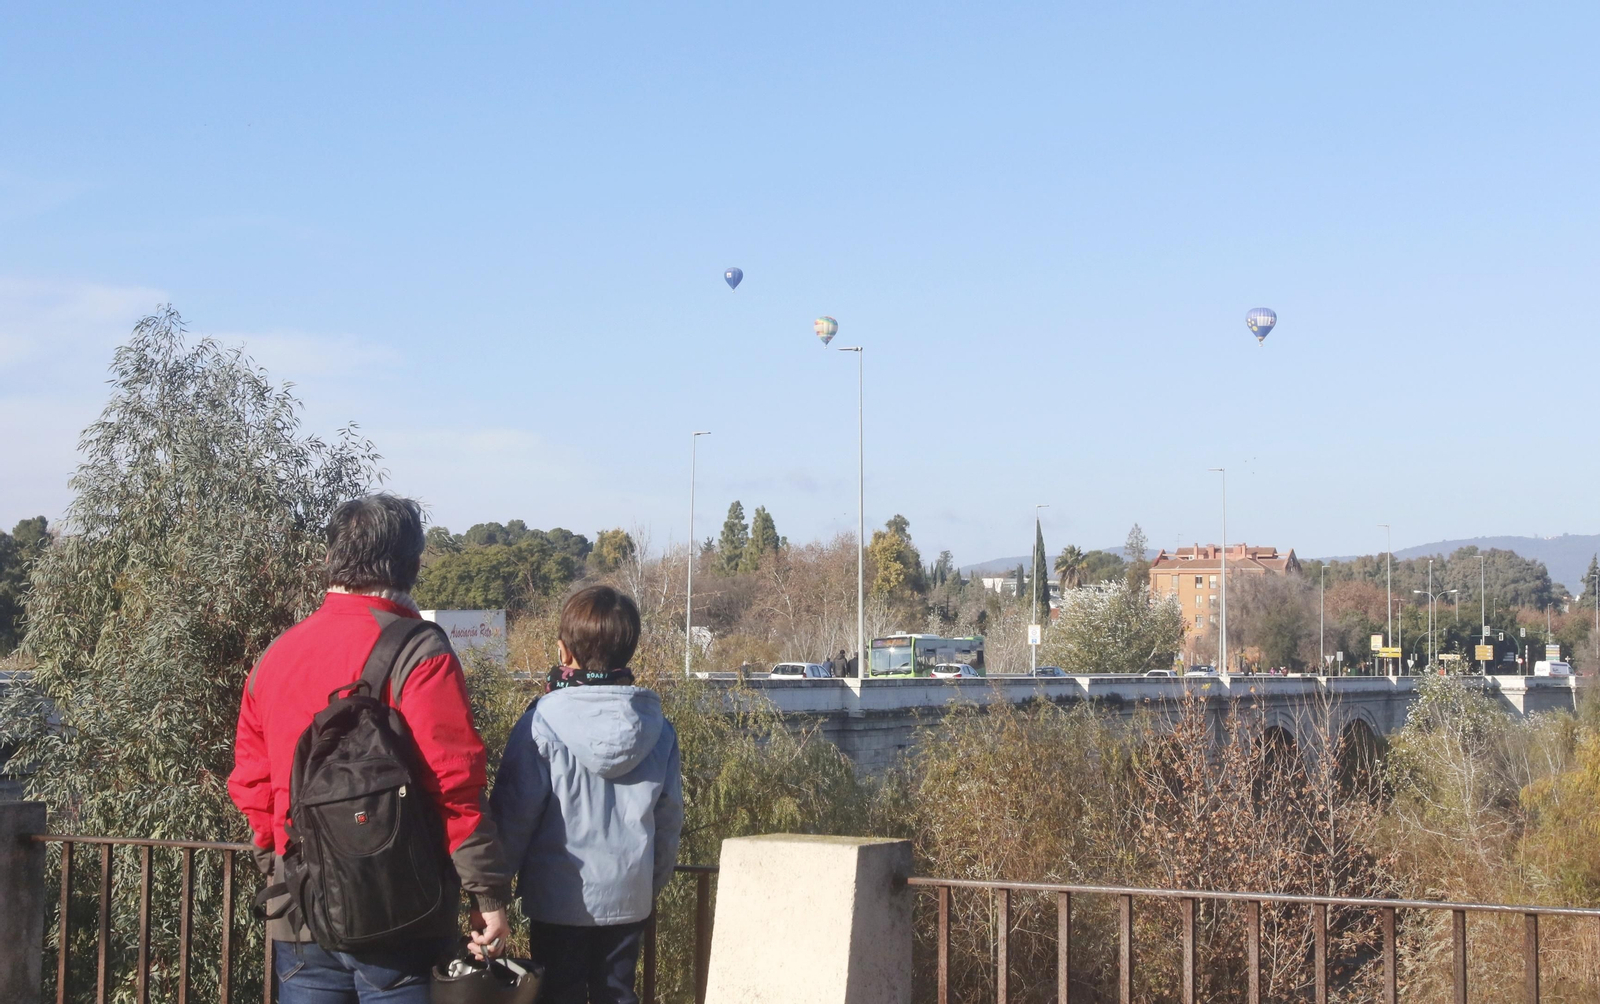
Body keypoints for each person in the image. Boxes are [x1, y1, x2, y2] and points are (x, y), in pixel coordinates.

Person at [229, 495, 513, 1003]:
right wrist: (486, 893)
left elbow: (251, 781)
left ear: (332, 557)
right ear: (412, 565)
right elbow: (454, 783)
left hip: (301, 910)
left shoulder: (276, 654)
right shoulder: (419, 651)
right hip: (401, 911)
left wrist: (277, 859)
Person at [492, 585, 684, 1004]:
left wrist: (493, 891)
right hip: (629, 898)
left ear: (564, 651)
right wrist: (648, 886)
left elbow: (513, 817)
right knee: (617, 994)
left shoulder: (540, 724)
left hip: (557, 901)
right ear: (628, 650)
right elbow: (668, 821)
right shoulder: (658, 729)